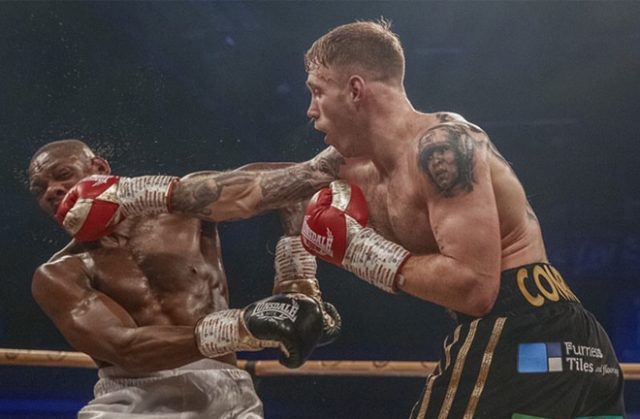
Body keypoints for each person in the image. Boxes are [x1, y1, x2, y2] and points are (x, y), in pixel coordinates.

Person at [295, 19, 626, 418]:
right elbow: (254, 188)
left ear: (354, 89)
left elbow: (475, 289)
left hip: (516, 334)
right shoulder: (360, 168)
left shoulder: (440, 146)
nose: (311, 111)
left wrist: (358, 250)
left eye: (317, 92)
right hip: (584, 351)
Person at [28, 139, 343, 418]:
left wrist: (298, 286)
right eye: (40, 189)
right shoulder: (59, 273)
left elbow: (297, 185)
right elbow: (127, 349)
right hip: (132, 402)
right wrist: (245, 326)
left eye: (63, 175)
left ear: (99, 167)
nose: (52, 191)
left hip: (226, 395)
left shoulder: (184, 207)